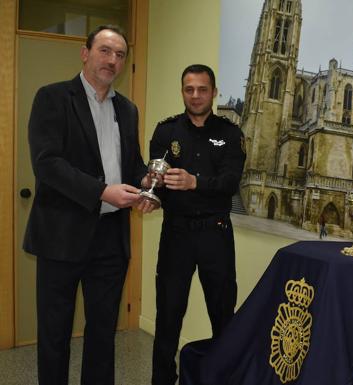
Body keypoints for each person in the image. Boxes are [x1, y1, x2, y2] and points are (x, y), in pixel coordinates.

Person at [24, 25, 155, 385]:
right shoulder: (52, 98)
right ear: (85, 53)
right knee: (55, 334)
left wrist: (147, 182)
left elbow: (132, 165)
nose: (112, 60)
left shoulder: (127, 110)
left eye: (120, 54)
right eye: (105, 51)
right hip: (61, 236)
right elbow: (47, 163)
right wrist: (102, 192)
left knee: (102, 335)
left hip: (111, 239)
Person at [150, 64, 246, 385]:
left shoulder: (230, 133)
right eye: (189, 89)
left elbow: (230, 182)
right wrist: (152, 185)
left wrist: (195, 182)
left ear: (214, 92)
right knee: (168, 317)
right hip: (175, 234)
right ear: (182, 92)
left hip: (214, 234)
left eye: (202, 89)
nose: (195, 96)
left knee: (222, 316)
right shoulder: (166, 131)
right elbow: (154, 178)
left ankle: (222, 379)